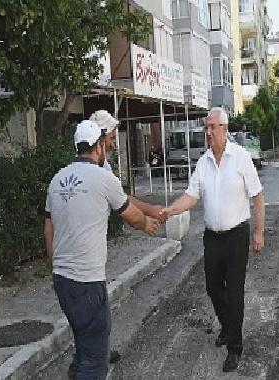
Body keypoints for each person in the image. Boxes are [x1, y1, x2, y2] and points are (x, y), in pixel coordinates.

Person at [44, 120, 159, 379]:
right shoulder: (103, 178)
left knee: (95, 328)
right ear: (98, 146)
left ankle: (78, 366)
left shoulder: (56, 180)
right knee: (94, 364)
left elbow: (48, 231)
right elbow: (131, 215)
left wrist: (58, 268)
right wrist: (147, 224)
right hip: (86, 281)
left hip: (63, 281)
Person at [161, 107, 265, 372]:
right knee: (212, 287)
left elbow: (257, 196)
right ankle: (228, 327)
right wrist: (170, 210)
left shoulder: (241, 158)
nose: (207, 132)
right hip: (212, 237)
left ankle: (235, 347)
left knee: (235, 291)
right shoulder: (203, 162)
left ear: (224, 129)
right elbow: (192, 196)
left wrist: (259, 231)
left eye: (212, 127)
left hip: (237, 235)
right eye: (206, 127)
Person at [89, 109, 165, 222]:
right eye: (112, 138)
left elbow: (119, 195)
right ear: (100, 140)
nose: (113, 145)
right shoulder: (96, 171)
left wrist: (150, 210)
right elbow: (122, 202)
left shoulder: (101, 165)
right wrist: (148, 218)